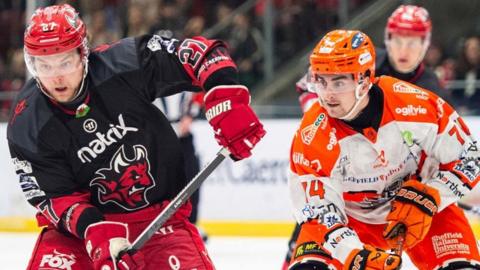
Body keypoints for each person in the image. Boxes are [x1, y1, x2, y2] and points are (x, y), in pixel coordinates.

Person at [7, 4, 265, 270]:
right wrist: (95, 230)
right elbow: (55, 197)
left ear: (83, 54)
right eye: (44, 66)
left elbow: (201, 53)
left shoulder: (122, 64)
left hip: (160, 221)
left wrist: (226, 98)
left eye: (65, 62)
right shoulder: (28, 122)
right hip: (79, 236)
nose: (56, 77)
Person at [286, 29, 480, 270]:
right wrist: (354, 255)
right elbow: (319, 212)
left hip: (426, 214)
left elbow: (469, 158)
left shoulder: (413, 105)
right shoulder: (312, 135)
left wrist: (432, 196)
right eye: (321, 81)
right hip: (350, 221)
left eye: (339, 81)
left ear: (365, 79)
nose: (328, 94)